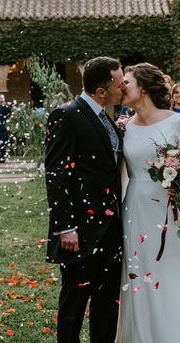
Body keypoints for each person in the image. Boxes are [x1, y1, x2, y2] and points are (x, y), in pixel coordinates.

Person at [116, 63, 180, 342]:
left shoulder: (177, 122)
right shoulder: (124, 126)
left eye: (126, 82)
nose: (120, 86)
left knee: (170, 272)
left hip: (169, 210)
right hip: (135, 208)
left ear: (144, 87)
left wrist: (179, 184)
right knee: (139, 271)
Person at [44, 56, 124, 343]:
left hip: (112, 229)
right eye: (119, 83)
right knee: (74, 305)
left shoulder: (109, 118)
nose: (124, 88)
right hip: (80, 229)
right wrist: (65, 227)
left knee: (107, 303)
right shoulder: (67, 114)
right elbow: (56, 175)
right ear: (101, 91)